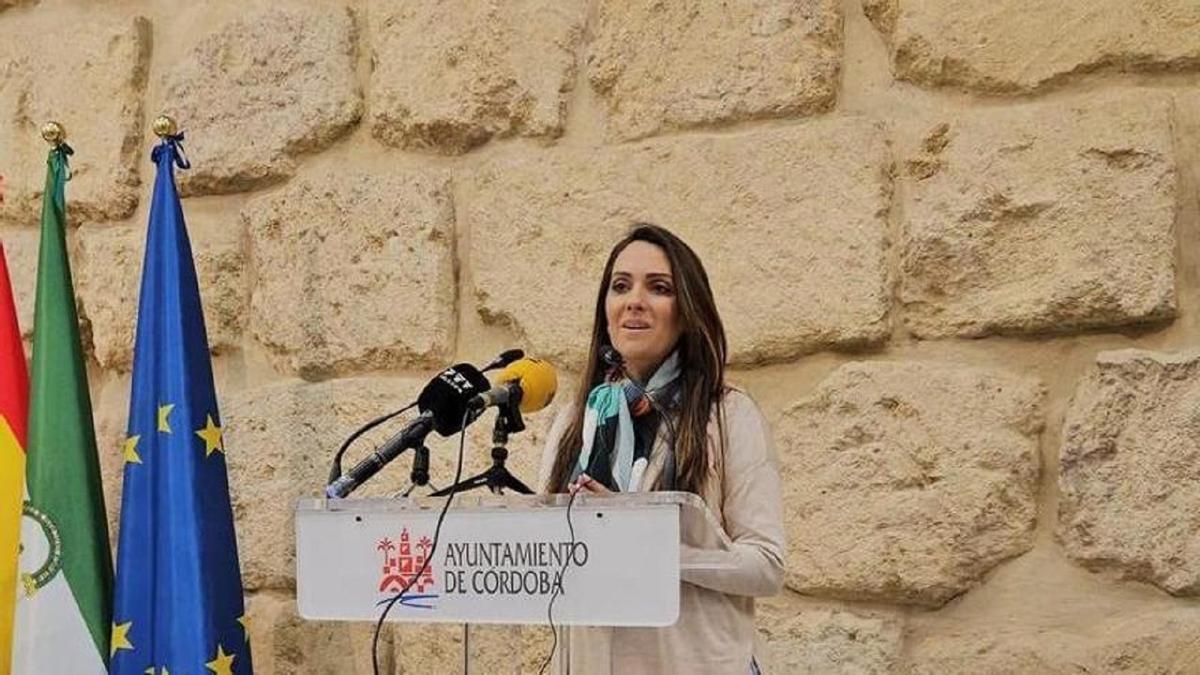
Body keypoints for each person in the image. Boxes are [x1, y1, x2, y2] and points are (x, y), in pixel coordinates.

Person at [539, 224, 785, 674]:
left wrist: (641, 544)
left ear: (686, 311)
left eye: (659, 288)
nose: (634, 300)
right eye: (620, 286)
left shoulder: (727, 416)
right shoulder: (578, 421)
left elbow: (765, 566)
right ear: (606, 310)